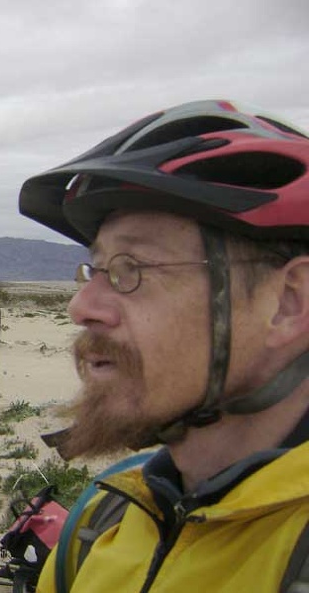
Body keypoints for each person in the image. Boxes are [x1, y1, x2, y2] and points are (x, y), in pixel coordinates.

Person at [17, 100, 309, 593]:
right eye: (96, 268)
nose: (82, 306)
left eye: (131, 268)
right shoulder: (103, 516)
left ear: (286, 304)